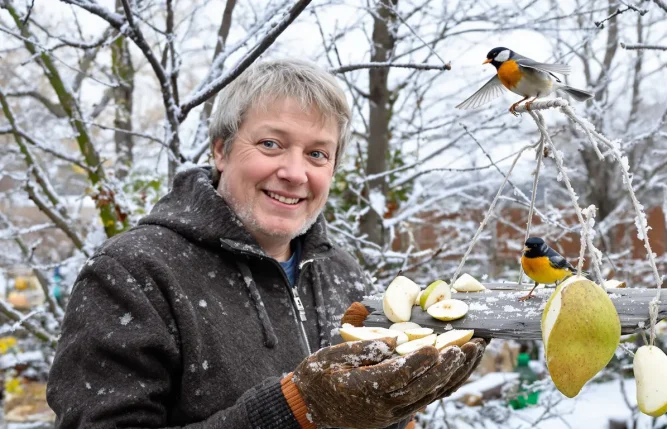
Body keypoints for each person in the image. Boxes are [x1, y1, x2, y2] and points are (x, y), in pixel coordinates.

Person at [46, 59, 486, 429]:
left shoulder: (340, 272)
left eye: (317, 154)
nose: (295, 173)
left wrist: (397, 412)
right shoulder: (133, 273)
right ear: (221, 150)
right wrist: (295, 408)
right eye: (271, 144)